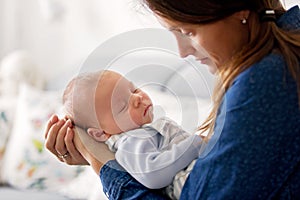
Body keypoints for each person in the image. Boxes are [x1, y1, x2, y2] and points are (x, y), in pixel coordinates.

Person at [45, 0, 300, 199]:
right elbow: (156, 173)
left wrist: (99, 161)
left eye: (187, 32)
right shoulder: (281, 50)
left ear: (238, 11)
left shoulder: (266, 80)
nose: (182, 51)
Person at [62, 69, 204, 199]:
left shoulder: (142, 132)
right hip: (192, 184)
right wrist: (195, 144)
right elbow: (153, 174)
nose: (137, 98)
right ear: (100, 134)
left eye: (134, 89)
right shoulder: (129, 141)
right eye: (123, 106)